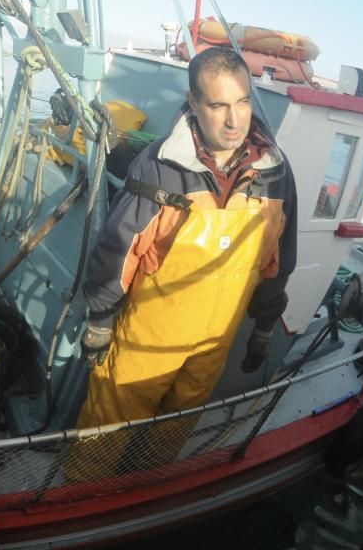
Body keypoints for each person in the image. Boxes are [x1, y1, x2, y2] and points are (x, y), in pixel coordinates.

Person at [74, 46, 297, 445]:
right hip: (148, 340)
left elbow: (279, 261)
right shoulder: (161, 166)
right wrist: (100, 319)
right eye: (218, 105)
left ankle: (151, 484)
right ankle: (84, 493)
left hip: (215, 344)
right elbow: (118, 248)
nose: (234, 121)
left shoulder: (276, 174)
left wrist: (264, 326)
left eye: (243, 102)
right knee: (106, 427)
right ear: (193, 102)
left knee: (178, 425)